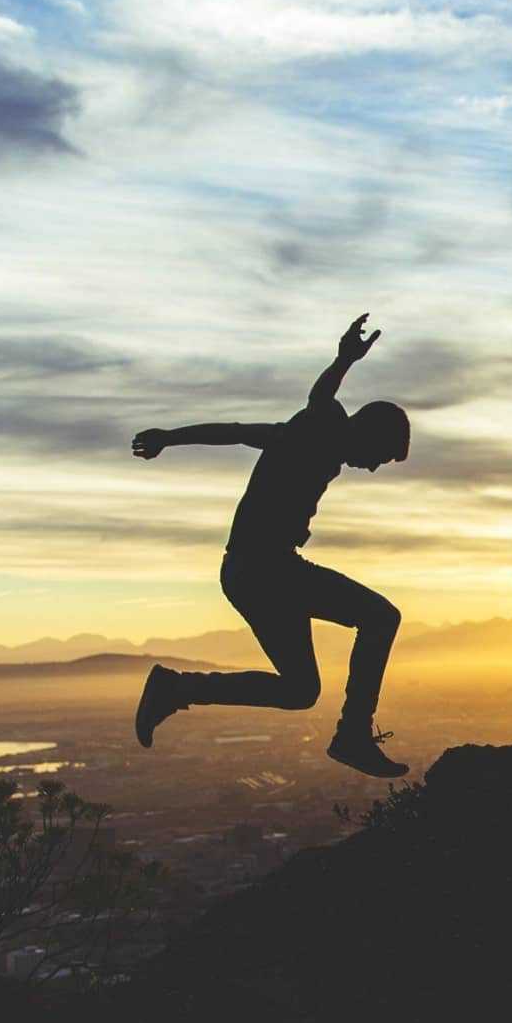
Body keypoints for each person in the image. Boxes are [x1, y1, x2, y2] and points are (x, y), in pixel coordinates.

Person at [128, 313, 412, 778]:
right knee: (381, 617)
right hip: (266, 571)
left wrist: (170, 438)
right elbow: (299, 407)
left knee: (300, 691)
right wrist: (343, 360)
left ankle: (175, 689)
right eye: (380, 456)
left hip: (255, 573)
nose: (375, 468)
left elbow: (251, 427)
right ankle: (352, 737)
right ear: (369, 433)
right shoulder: (321, 429)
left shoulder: (318, 440)